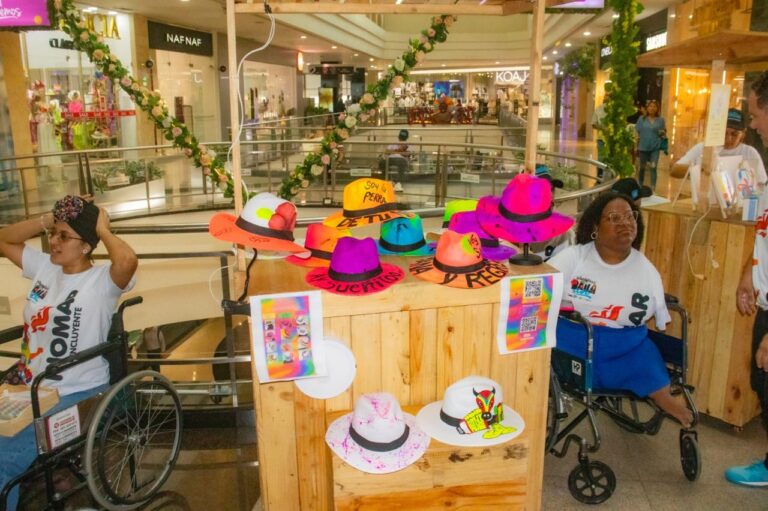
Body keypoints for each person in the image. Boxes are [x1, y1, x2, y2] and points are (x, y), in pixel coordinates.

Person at [0, 195, 137, 509]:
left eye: (64, 236)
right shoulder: (45, 268)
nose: (54, 242)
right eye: (53, 234)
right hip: (29, 387)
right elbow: (3, 239)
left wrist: (102, 229)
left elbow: (127, 262)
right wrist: (47, 220)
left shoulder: (102, 281)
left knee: (4, 460)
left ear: (86, 246)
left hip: (76, 392)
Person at [549, 193, 693, 428]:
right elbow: (541, 285)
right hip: (576, 341)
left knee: (646, 354)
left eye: (629, 216)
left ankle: (663, 396)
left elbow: (657, 319)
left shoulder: (646, 270)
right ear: (595, 227)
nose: (625, 222)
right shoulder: (574, 258)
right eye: (614, 218)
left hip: (624, 345)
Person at [727, 70, 768, 487]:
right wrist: (748, 275)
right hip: (764, 299)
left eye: (755, 113)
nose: (752, 124)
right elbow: (765, 232)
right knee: (762, 381)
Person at [671, 108, 767, 186]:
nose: (729, 139)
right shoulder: (703, 148)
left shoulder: (749, 153)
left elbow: (762, 183)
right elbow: (674, 170)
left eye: (734, 134)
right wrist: (700, 169)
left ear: (743, 134)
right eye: (724, 133)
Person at [635, 99, 666, 191]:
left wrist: (663, 134)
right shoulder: (641, 119)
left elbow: (663, 133)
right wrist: (636, 146)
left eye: (654, 106)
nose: (652, 108)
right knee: (642, 168)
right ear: (647, 108)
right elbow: (637, 133)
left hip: (655, 147)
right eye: (650, 106)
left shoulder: (661, 120)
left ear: (657, 108)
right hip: (643, 147)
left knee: (653, 167)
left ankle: (653, 188)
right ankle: (640, 186)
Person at [591, 101, 607, 166]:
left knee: (608, 159)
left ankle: (608, 175)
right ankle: (600, 174)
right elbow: (593, 124)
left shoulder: (615, 110)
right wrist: (602, 128)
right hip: (601, 139)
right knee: (601, 158)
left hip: (612, 139)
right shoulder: (599, 109)